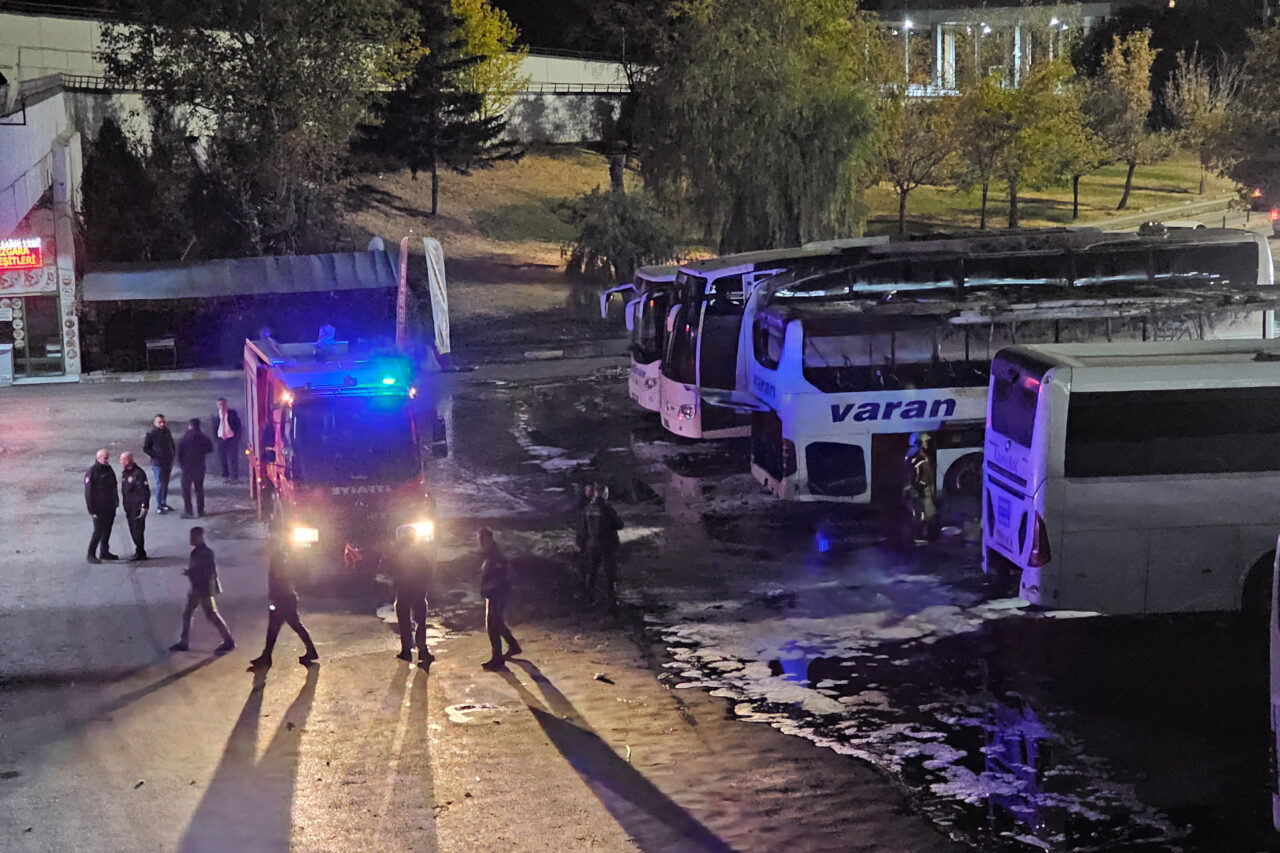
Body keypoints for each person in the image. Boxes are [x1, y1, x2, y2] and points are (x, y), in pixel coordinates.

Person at [250, 547, 318, 669]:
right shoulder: (280, 562)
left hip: (283, 601)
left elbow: (281, 582)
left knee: (286, 628)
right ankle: (266, 656)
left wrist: (277, 599)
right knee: (277, 630)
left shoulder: (280, 564)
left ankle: (267, 657)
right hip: (283, 600)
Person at [170, 526, 235, 653]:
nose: (191, 539)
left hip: (202, 589)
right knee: (190, 613)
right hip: (198, 588)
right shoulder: (199, 552)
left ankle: (228, 640)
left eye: (193, 537)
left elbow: (207, 572)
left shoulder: (205, 553)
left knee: (209, 614)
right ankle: (185, 641)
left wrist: (191, 573)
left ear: (200, 537)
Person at [385, 526, 434, 664]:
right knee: (419, 621)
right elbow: (427, 571)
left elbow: (391, 570)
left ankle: (407, 651)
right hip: (417, 591)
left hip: (403, 592)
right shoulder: (418, 552)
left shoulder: (397, 552)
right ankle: (422, 651)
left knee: (404, 622)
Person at [478, 527, 520, 670]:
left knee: (492, 626)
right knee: (497, 623)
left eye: (482, 539)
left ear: (488, 539)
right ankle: (513, 646)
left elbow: (501, 575)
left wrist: (490, 587)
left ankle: (497, 657)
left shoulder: (495, 555)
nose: (480, 542)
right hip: (494, 594)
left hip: (497, 594)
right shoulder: (491, 554)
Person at [583, 483, 624, 609]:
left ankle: (589, 598)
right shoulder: (607, 508)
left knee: (592, 572)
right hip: (606, 544)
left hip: (592, 543)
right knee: (609, 573)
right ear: (605, 494)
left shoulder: (587, 508)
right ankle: (611, 600)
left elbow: (583, 528)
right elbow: (619, 524)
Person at [84, 448, 119, 564]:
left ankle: (104, 551)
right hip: (98, 508)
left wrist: (116, 501)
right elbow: (88, 493)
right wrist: (92, 510)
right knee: (98, 531)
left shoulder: (108, 469)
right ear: (98, 458)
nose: (107, 460)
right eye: (105, 458)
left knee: (107, 530)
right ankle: (91, 554)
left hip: (109, 506)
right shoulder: (92, 472)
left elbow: (114, 486)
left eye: (108, 457)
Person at [178, 418, 213, 518]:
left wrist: (182, 465)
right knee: (199, 489)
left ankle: (188, 511)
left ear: (190, 426)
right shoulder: (203, 437)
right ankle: (200, 511)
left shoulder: (185, 438)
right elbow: (210, 448)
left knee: (186, 490)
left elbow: (180, 453)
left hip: (187, 467)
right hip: (199, 466)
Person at [142, 413, 176, 514]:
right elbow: (146, 448)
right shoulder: (151, 434)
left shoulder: (167, 432)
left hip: (167, 462)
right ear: (155, 423)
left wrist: (172, 453)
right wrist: (156, 455)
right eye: (160, 422)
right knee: (160, 484)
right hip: (158, 463)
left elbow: (171, 443)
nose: (162, 424)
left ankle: (163, 502)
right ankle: (159, 505)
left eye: (163, 422)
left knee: (165, 484)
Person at [119, 452, 150, 561]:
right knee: (133, 530)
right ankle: (139, 550)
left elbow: (145, 491)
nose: (120, 462)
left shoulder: (138, 474)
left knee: (137, 530)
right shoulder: (126, 474)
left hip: (136, 508)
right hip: (129, 508)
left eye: (121, 460)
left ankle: (140, 551)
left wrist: (144, 506)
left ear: (127, 461)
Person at [212, 397, 242, 482]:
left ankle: (234, 476)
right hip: (221, 438)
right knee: (222, 458)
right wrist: (216, 439)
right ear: (217, 405)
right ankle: (225, 474)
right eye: (220, 404)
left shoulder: (232, 413)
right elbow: (214, 428)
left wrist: (237, 437)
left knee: (233, 458)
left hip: (231, 438)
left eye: (224, 404)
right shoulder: (215, 415)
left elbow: (238, 426)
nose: (222, 406)